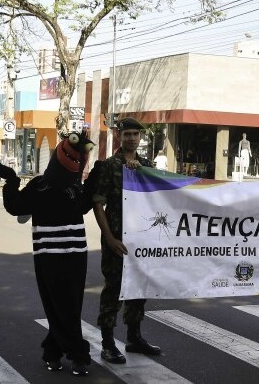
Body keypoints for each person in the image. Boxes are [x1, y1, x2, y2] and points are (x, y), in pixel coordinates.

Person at [0, 131, 95, 376]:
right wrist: (12, 181)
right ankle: (76, 353)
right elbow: (16, 207)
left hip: (75, 255)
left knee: (68, 306)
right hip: (49, 255)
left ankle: (53, 351)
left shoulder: (74, 186)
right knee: (59, 306)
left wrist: (95, 177)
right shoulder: (40, 185)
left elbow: (85, 205)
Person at [91, 117, 161, 364]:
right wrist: (109, 237)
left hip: (141, 242)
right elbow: (98, 203)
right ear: (120, 136)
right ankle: (107, 343)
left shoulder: (146, 166)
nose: (132, 138)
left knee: (138, 290)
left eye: (136, 134)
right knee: (114, 290)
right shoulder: (110, 166)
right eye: (128, 134)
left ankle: (134, 337)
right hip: (117, 240)